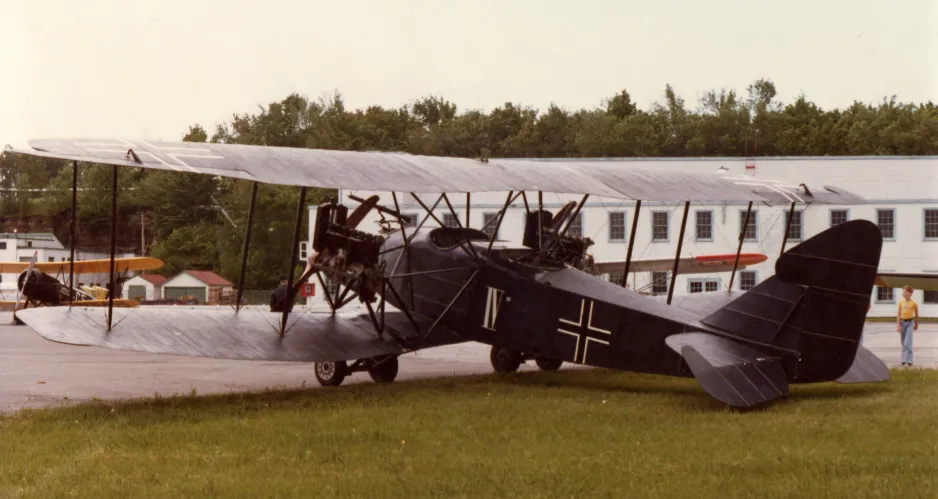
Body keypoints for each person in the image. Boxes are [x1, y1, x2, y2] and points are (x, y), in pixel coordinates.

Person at [896, 285, 919, 367]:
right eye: (903, 292)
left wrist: (916, 324)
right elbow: (898, 314)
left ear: (910, 293)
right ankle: (903, 359)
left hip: (910, 323)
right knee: (903, 342)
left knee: (907, 342)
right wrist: (898, 325)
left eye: (906, 292)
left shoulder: (914, 303)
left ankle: (909, 360)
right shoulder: (901, 302)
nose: (904, 293)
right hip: (902, 323)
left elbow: (916, 315)